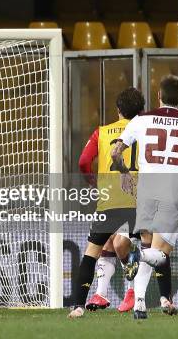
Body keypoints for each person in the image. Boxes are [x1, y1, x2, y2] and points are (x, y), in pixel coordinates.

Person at [111, 75, 178, 319]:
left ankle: (140, 304)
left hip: (147, 186)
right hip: (173, 188)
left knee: (147, 242)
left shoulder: (141, 120)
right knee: (159, 252)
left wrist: (124, 172)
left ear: (159, 96)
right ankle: (138, 258)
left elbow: (115, 151)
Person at [68, 87, 144, 318]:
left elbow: (83, 161)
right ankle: (132, 291)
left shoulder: (101, 132)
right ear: (141, 111)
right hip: (137, 202)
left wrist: (92, 181)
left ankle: (78, 307)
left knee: (92, 253)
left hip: (108, 202)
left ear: (118, 110)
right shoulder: (145, 132)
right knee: (120, 244)